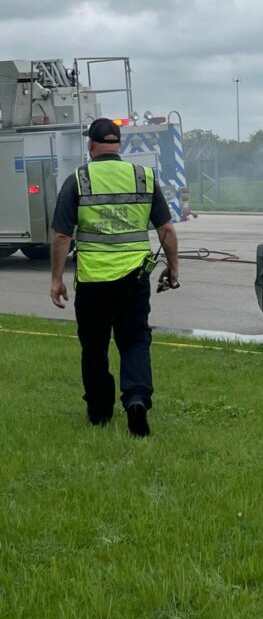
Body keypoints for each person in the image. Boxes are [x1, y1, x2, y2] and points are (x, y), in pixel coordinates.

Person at [49, 118, 180, 437]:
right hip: (134, 280)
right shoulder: (144, 177)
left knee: (94, 346)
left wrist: (56, 279)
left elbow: (62, 237)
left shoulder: (78, 180)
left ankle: (99, 411)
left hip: (93, 282)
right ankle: (136, 399)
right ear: (118, 144)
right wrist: (173, 267)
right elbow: (166, 229)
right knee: (135, 341)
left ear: (91, 145)